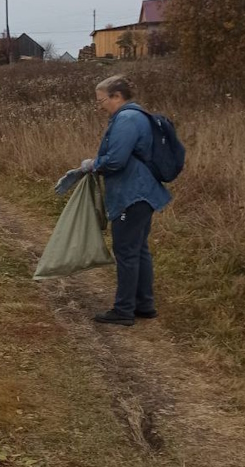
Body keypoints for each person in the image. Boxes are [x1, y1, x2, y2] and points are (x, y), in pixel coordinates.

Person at [79, 75, 172, 326]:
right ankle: (144, 305)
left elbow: (116, 160)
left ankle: (124, 310)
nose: (100, 106)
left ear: (117, 96)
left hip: (132, 195)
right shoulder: (138, 116)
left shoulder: (127, 119)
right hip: (143, 193)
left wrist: (93, 165)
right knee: (139, 250)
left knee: (126, 252)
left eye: (101, 100)